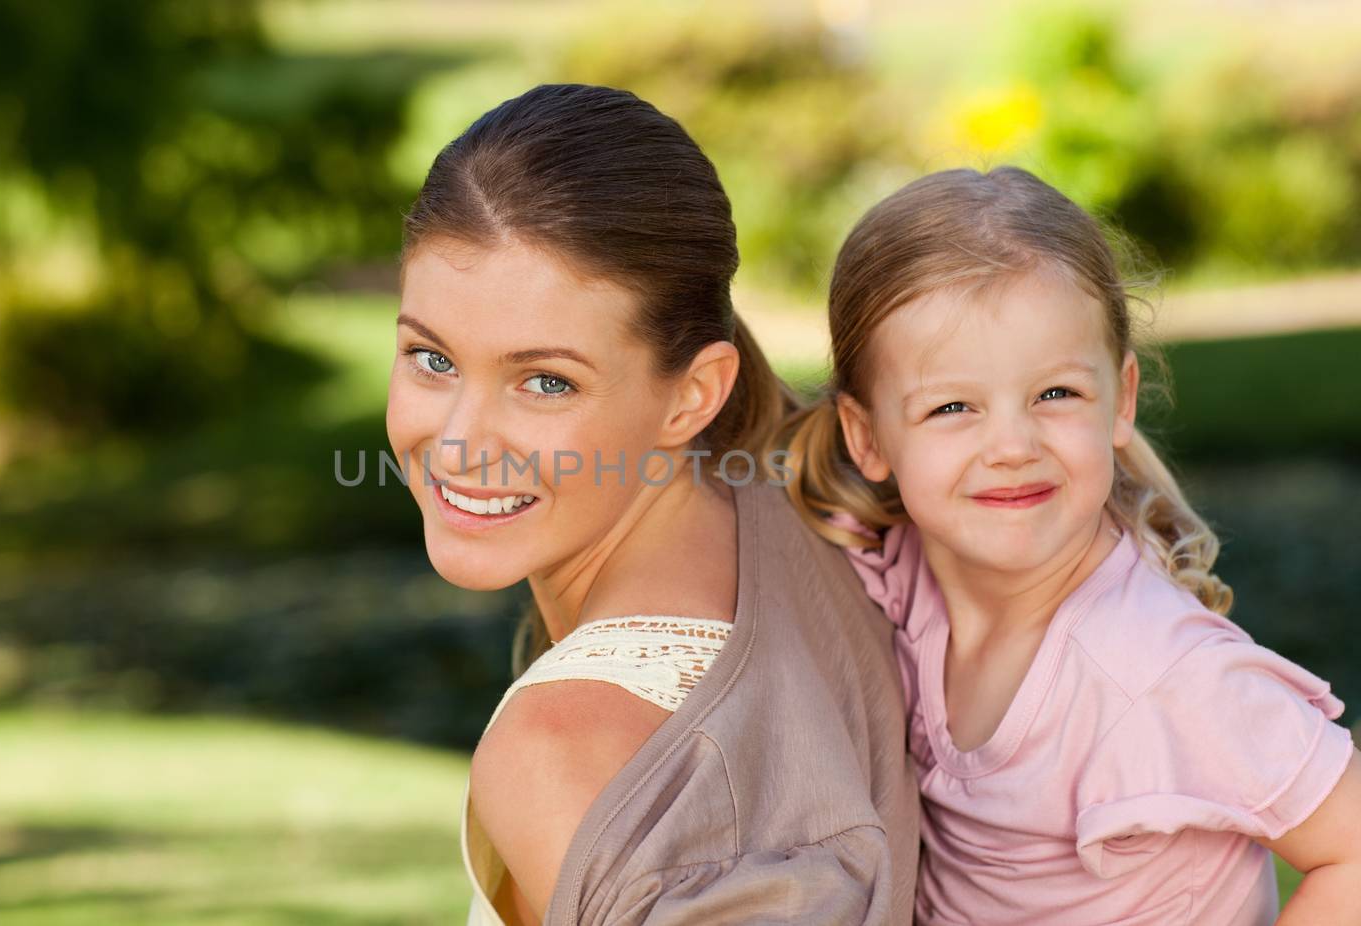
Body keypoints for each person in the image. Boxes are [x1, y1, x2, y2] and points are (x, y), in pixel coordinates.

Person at [385, 83, 919, 924]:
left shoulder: (559, 752)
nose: (458, 444)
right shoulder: (806, 504)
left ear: (694, 394)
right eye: (432, 359)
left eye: (546, 381)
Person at [776, 165, 1361, 925]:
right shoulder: (903, 570)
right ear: (868, 437)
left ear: (1119, 400)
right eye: (953, 407)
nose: (1012, 445)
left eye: (1056, 394)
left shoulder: (1159, 673)